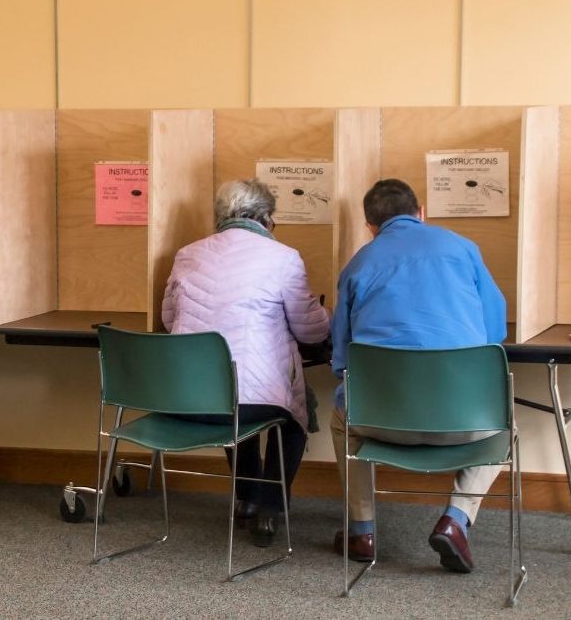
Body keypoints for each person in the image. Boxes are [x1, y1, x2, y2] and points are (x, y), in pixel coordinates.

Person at [330, 178, 507, 573]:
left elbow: (342, 357)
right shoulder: (462, 247)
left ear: (370, 226)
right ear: (421, 212)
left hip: (383, 421)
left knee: (343, 418)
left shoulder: (359, 263)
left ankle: (362, 530)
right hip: (465, 422)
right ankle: (456, 519)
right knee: (503, 421)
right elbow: (495, 334)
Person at [162, 179, 330, 546]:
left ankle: (247, 498)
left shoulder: (187, 253)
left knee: (231, 392)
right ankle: (270, 506)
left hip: (189, 399)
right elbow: (312, 332)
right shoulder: (283, 257)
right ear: (267, 218)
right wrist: (325, 314)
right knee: (292, 414)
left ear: (221, 216)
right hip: (251, 403)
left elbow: (167, 318)